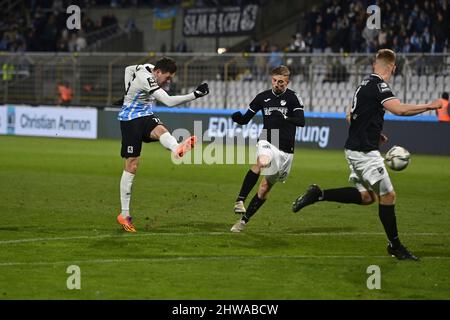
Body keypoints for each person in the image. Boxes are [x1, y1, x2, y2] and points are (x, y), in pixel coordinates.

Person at [291, 49, 442, 260]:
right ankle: (395, 246)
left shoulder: (363, 85)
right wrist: (429, 105)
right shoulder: (380, 86)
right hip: (364, 153)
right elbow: (399, 110)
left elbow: (349, 116)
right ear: (393, 67)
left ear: (374, 64)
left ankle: (319, 193)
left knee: (367, 197)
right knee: (388, 196)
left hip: (354, 149)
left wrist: (373, 132)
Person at [117, 57, 209, 232]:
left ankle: (176, 148)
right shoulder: (147, 78)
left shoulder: (147, 67)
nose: (169, 81)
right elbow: (168, 101)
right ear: (158, 72)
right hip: (130, 119)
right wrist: (195, 95)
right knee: (132, 164)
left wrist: (127, 90)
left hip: (145, 114)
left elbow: (128, 69)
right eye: (167, 77)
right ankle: (124, 215)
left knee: (160, 129)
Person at [230, 65, 305, 232]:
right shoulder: (262, 97)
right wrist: (237, 119)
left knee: (264, 189)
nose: (278, 84)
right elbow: (245, 119)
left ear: (288, 82)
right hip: (268, 140)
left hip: (286, 149)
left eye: (282, 82)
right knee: (262, 161)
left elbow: (301, 121)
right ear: (272, 79)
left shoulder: (293, 98)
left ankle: (243, 221)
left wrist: (285, 117)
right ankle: (240, 200)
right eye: (276, 81)